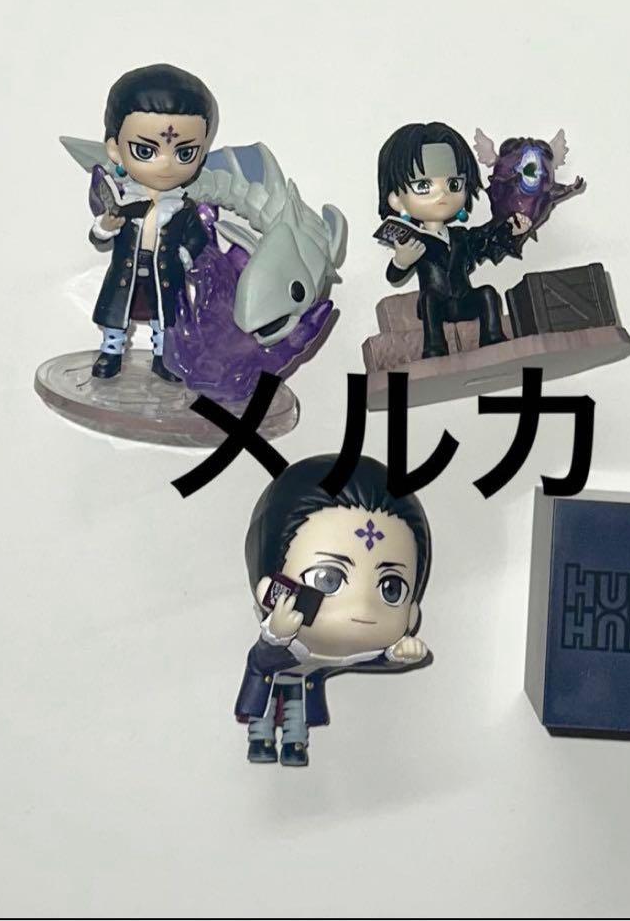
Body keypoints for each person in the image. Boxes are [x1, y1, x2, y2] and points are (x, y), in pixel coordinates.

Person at [234, 455, 433, 767]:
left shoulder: (346, 652)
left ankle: (295, 744)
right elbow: (261, 659)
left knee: (296, 714)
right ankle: (261, 739)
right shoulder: (282, 640)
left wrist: (396, 655)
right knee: (267, 713)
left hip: (301, 683)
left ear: (410, 612)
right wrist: (276, 633)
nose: (363, 607)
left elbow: (369, 660)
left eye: (391, 588)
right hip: (271, 679)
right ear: (269, 588)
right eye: (328, 580)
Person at [86, 63, 216, 380]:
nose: (166, 165)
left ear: (201, 154)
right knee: (117, 315)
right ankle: (111, 353)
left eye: (185, 153)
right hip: (126, 271)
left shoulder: (182, 208)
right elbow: (99, 237)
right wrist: (106, 227)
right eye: (145, 150)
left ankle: (164, 357)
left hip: (165, 273)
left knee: (164, 318)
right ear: (115, 149)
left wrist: (183, 255)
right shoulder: (125, 202)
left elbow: (197, 238)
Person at [377, 121, 531, 359]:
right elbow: (393, 275)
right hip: (436, 305)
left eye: (453, 184)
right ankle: (434, 346)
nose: (442, 193)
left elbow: (485, 239)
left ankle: (492, 337)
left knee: (488, 292)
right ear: (396, 200)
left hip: (463, 299)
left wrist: (511, 230)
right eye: (423, 186)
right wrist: (402, 260)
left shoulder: (461, 236)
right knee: (429, 298)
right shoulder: (414, 240)